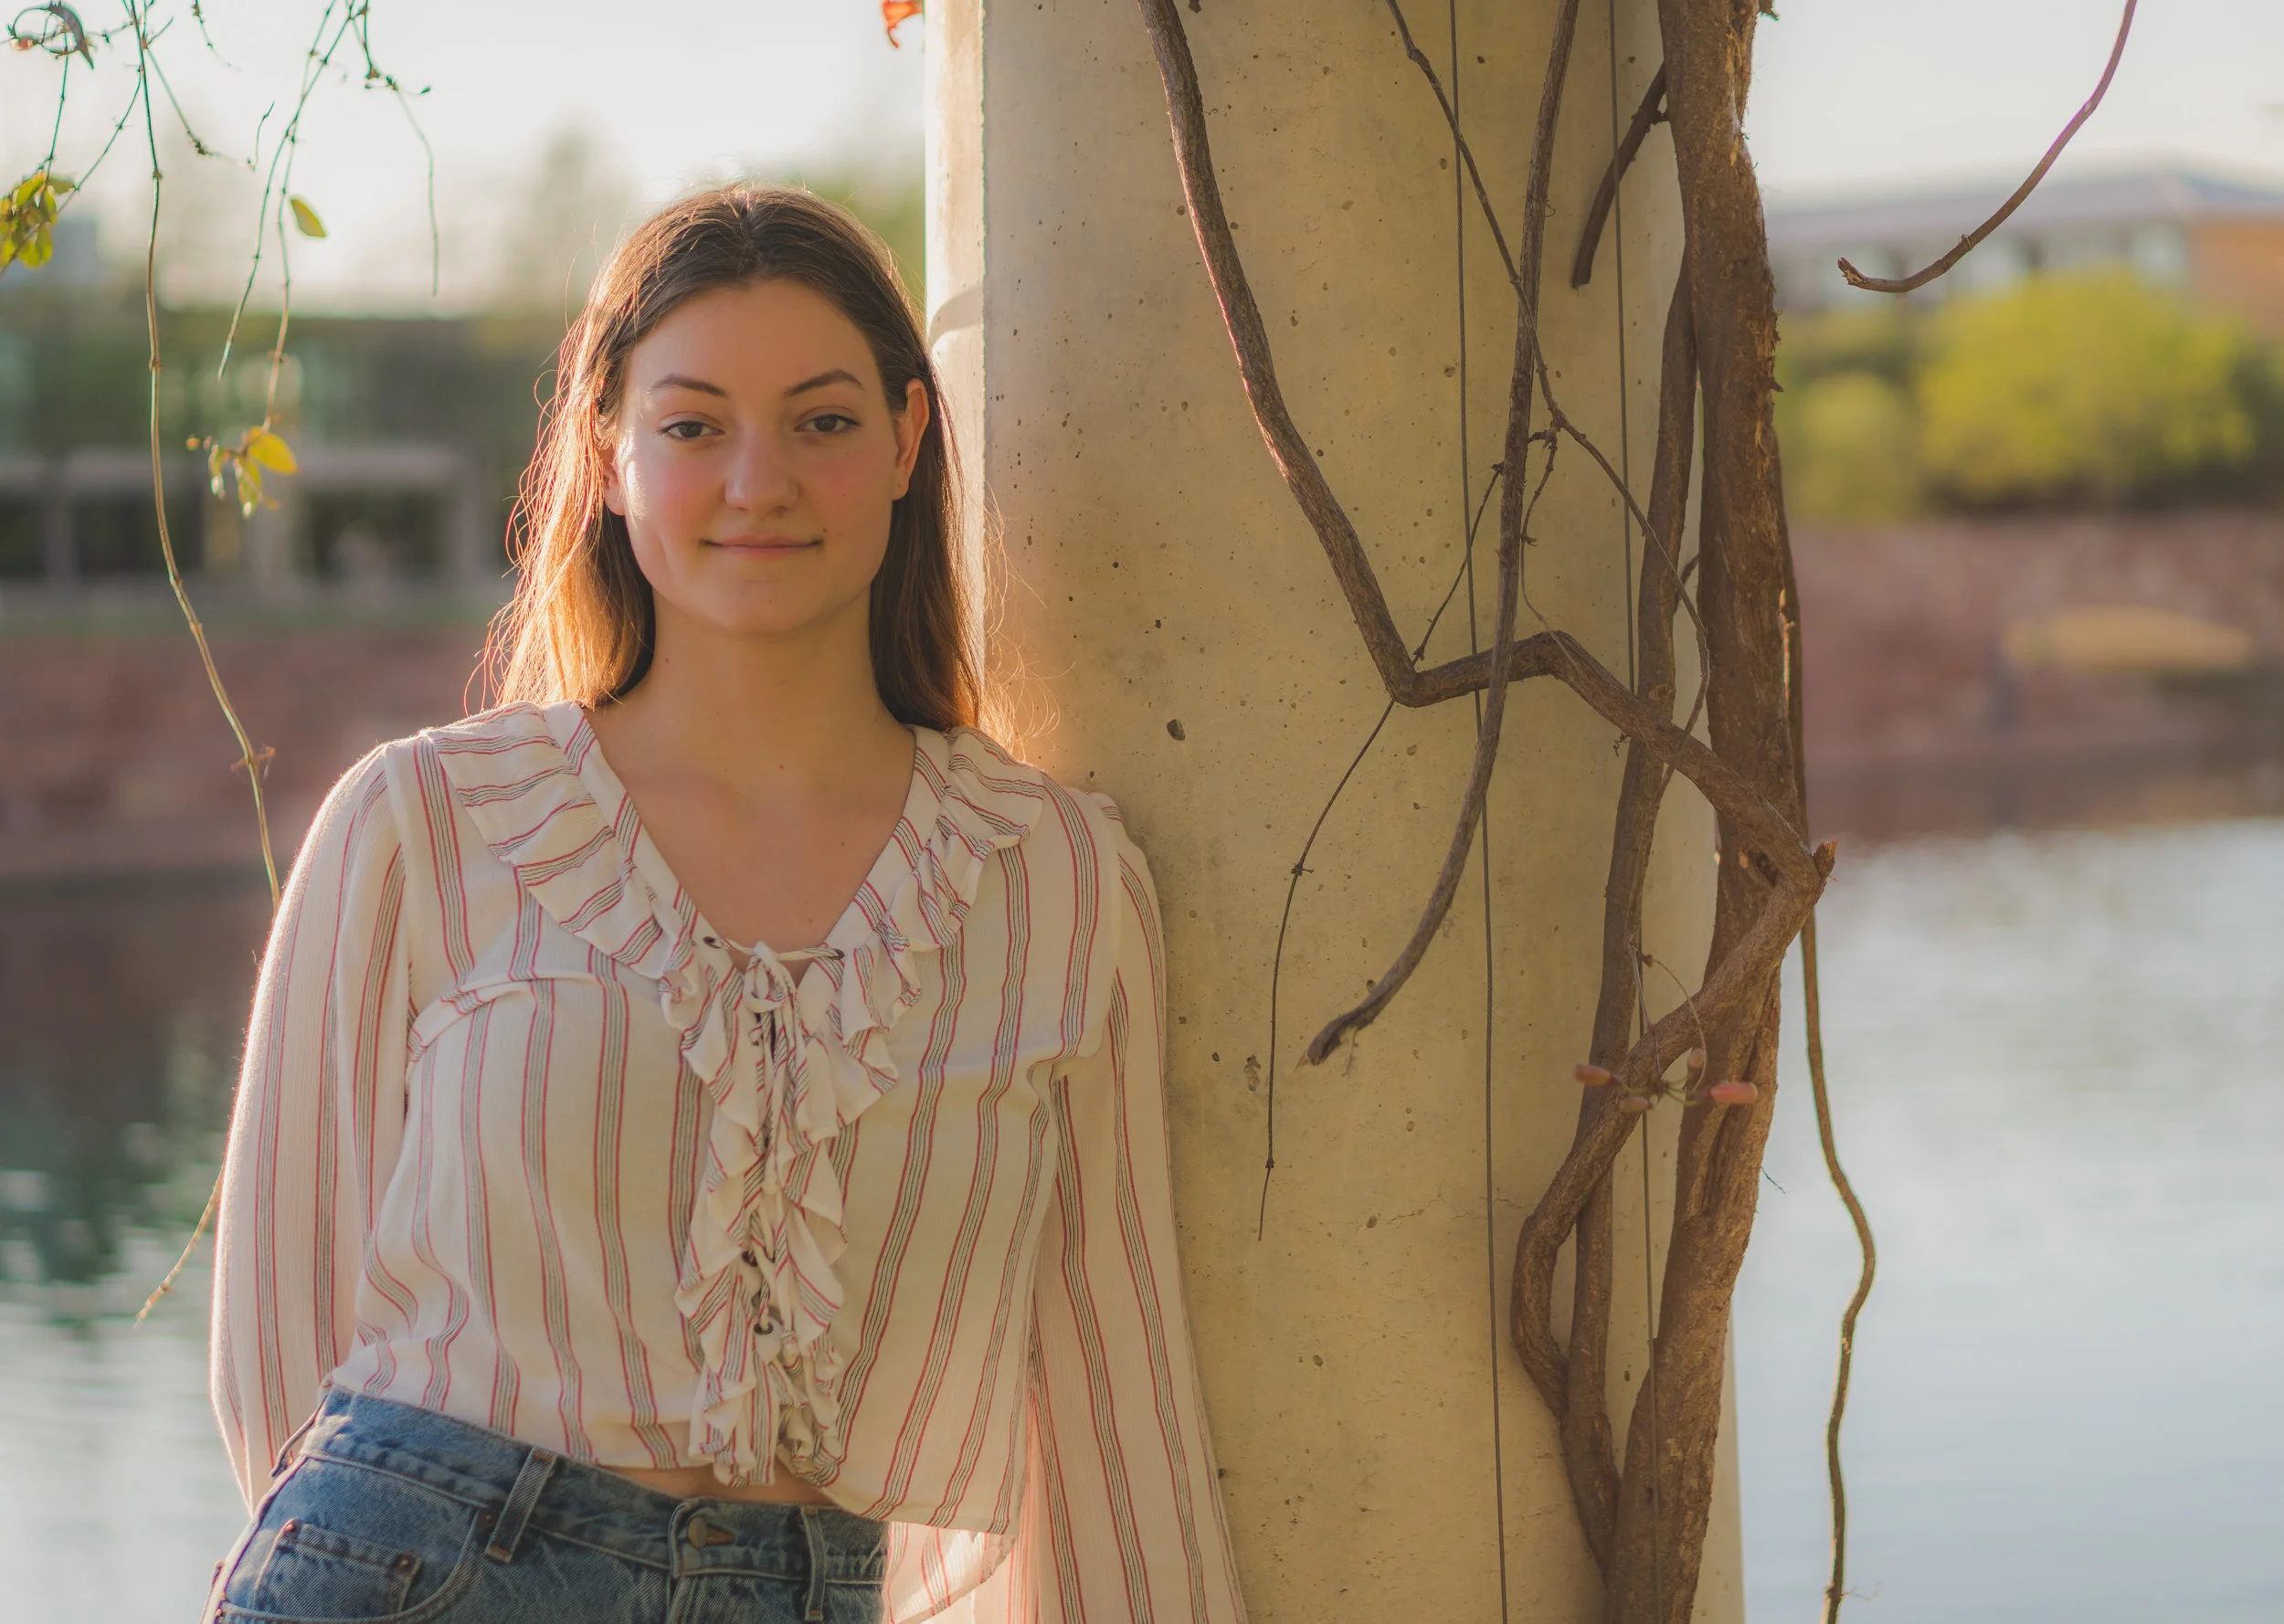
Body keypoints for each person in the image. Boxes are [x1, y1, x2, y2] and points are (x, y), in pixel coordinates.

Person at [205, 185, 1245, 1624]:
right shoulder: (427, 823)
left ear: (904, 441)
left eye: (821, 421)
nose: (760, 480)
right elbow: (285, 1345)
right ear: (608, 460)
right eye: (693, 425)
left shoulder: (1048, 877)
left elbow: (1112, 1389)